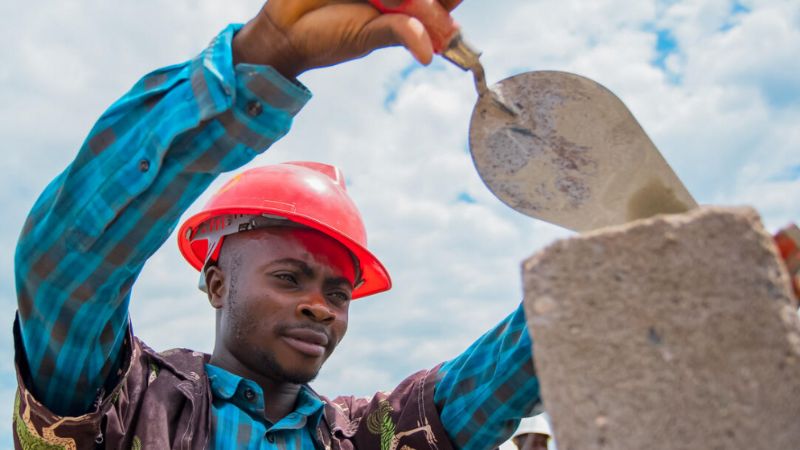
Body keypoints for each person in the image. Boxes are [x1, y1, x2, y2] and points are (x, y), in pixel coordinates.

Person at [13, 1, 540, 448]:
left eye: (339, 293)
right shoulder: (124, 406)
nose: (321, 307)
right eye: (289, 277)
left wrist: (608, 261)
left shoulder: (367, 436)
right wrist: (264, 57)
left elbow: (500, 375)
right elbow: (65, 272)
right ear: (217, 284)